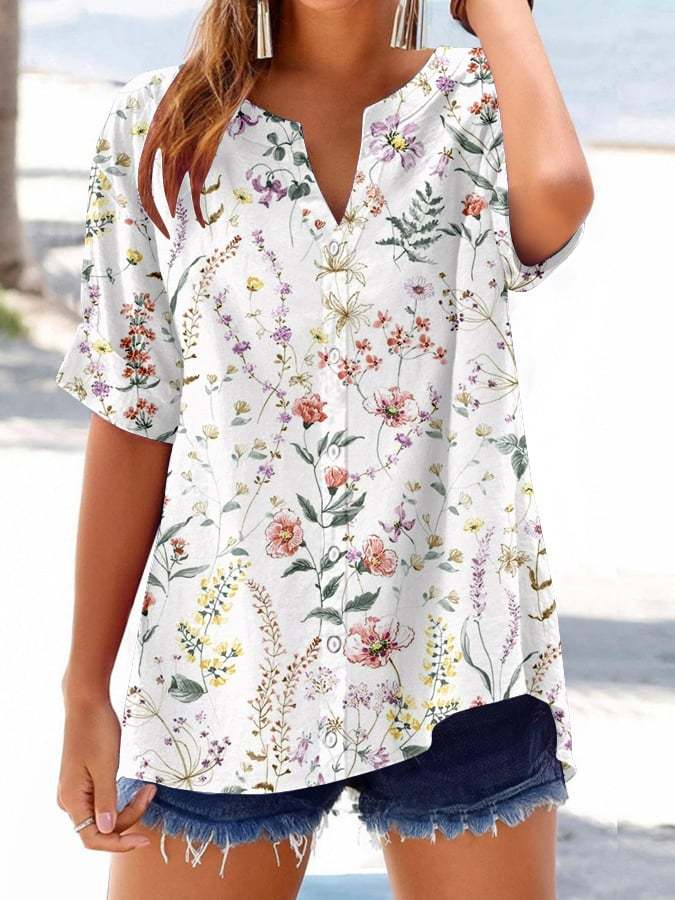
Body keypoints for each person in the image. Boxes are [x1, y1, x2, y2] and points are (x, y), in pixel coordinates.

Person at [54, 1, 593, 897]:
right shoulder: (158, 125)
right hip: (220, 662)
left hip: (460, 653)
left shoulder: (482, 106)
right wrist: (84, 688)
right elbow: (133, 407)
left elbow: (559, 198)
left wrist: (498, 10)